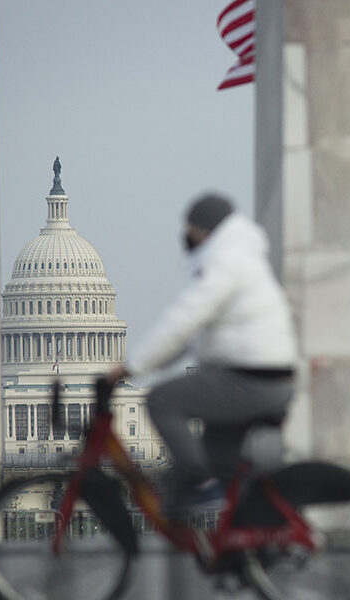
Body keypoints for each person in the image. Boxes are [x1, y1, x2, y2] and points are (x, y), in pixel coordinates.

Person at [107, 192, 297, 513]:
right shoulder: (239, 255)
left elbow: (184, 319)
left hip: (251, 379)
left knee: (161, 400)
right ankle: (240, 543)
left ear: (206, 229)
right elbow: (189, 337)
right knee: (218, 465)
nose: (185, 235)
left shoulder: (226, 261)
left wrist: (131, 366)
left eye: (190, 227)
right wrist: (146, 363)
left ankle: (202, 485)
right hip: (262, 378)